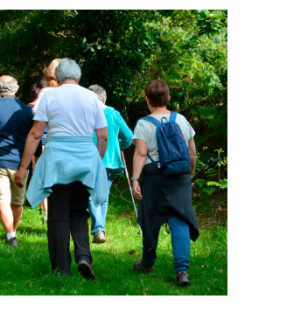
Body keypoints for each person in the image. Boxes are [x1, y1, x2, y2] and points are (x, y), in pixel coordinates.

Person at [15, 58, 109, 279]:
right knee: (78, 211)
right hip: (85, 162)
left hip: (58, 163)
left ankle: (60, 268)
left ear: (57, 78)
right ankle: (84, 256)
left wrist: (23, 167)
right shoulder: (91, 97)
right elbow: (103, 136)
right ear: (78, 78)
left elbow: (36, 134)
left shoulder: (49, 96)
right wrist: (95, 161)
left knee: (58, 215)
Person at [131, 79, 198, 287]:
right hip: (180, 178)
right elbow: (192, 153)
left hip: (154, 178)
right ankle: (182, 270)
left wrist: (135, 180)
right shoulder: (182, 120)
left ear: (147, 99)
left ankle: (147, 263)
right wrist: (189, 175)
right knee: (180, 220)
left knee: (150, 221)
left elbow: (141, 154)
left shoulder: (143, 124)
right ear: (168, 98)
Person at [0, 76, 39, 247]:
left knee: (2, 200)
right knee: (17, 201)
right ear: (16, 89)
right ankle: (13, 233)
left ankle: (11, 235)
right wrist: (36, 156)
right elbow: (35, 136)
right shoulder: (26, 111)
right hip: (20, 163)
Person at [87, 85, 133, 244]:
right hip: (110, 161)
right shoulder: (114, 114)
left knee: (92, 194)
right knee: (102, 195)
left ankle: (98, 229)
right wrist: (120, 145)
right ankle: (100, 229)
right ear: (104, 99)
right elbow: (128, 137)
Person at [28, 79, 49, 222]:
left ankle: (47, 212)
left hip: (40, 143)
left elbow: (33, 132)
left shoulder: (31, 109)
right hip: (55, 143)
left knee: (42, 177)